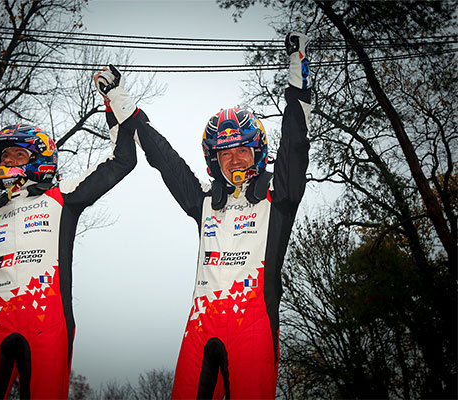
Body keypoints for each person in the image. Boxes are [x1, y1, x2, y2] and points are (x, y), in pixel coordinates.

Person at [95, 32, 311, 398]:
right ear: (214, 160)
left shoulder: (281, 194)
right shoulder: (207, 201)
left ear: (257, 152)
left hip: (253, 330)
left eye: (242, 149)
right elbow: (165, 159)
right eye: (224, 153)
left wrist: (298, 67)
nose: (235, 158)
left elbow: (295, 139)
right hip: (199, 328)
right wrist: (118, 97)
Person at [0, 113, 136, 397]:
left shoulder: (62, 195)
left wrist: (114, 106)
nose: (10, 160)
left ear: (41, 159)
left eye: (19, 153)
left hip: (46, 322)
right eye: (5, 155)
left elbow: (123, 160)